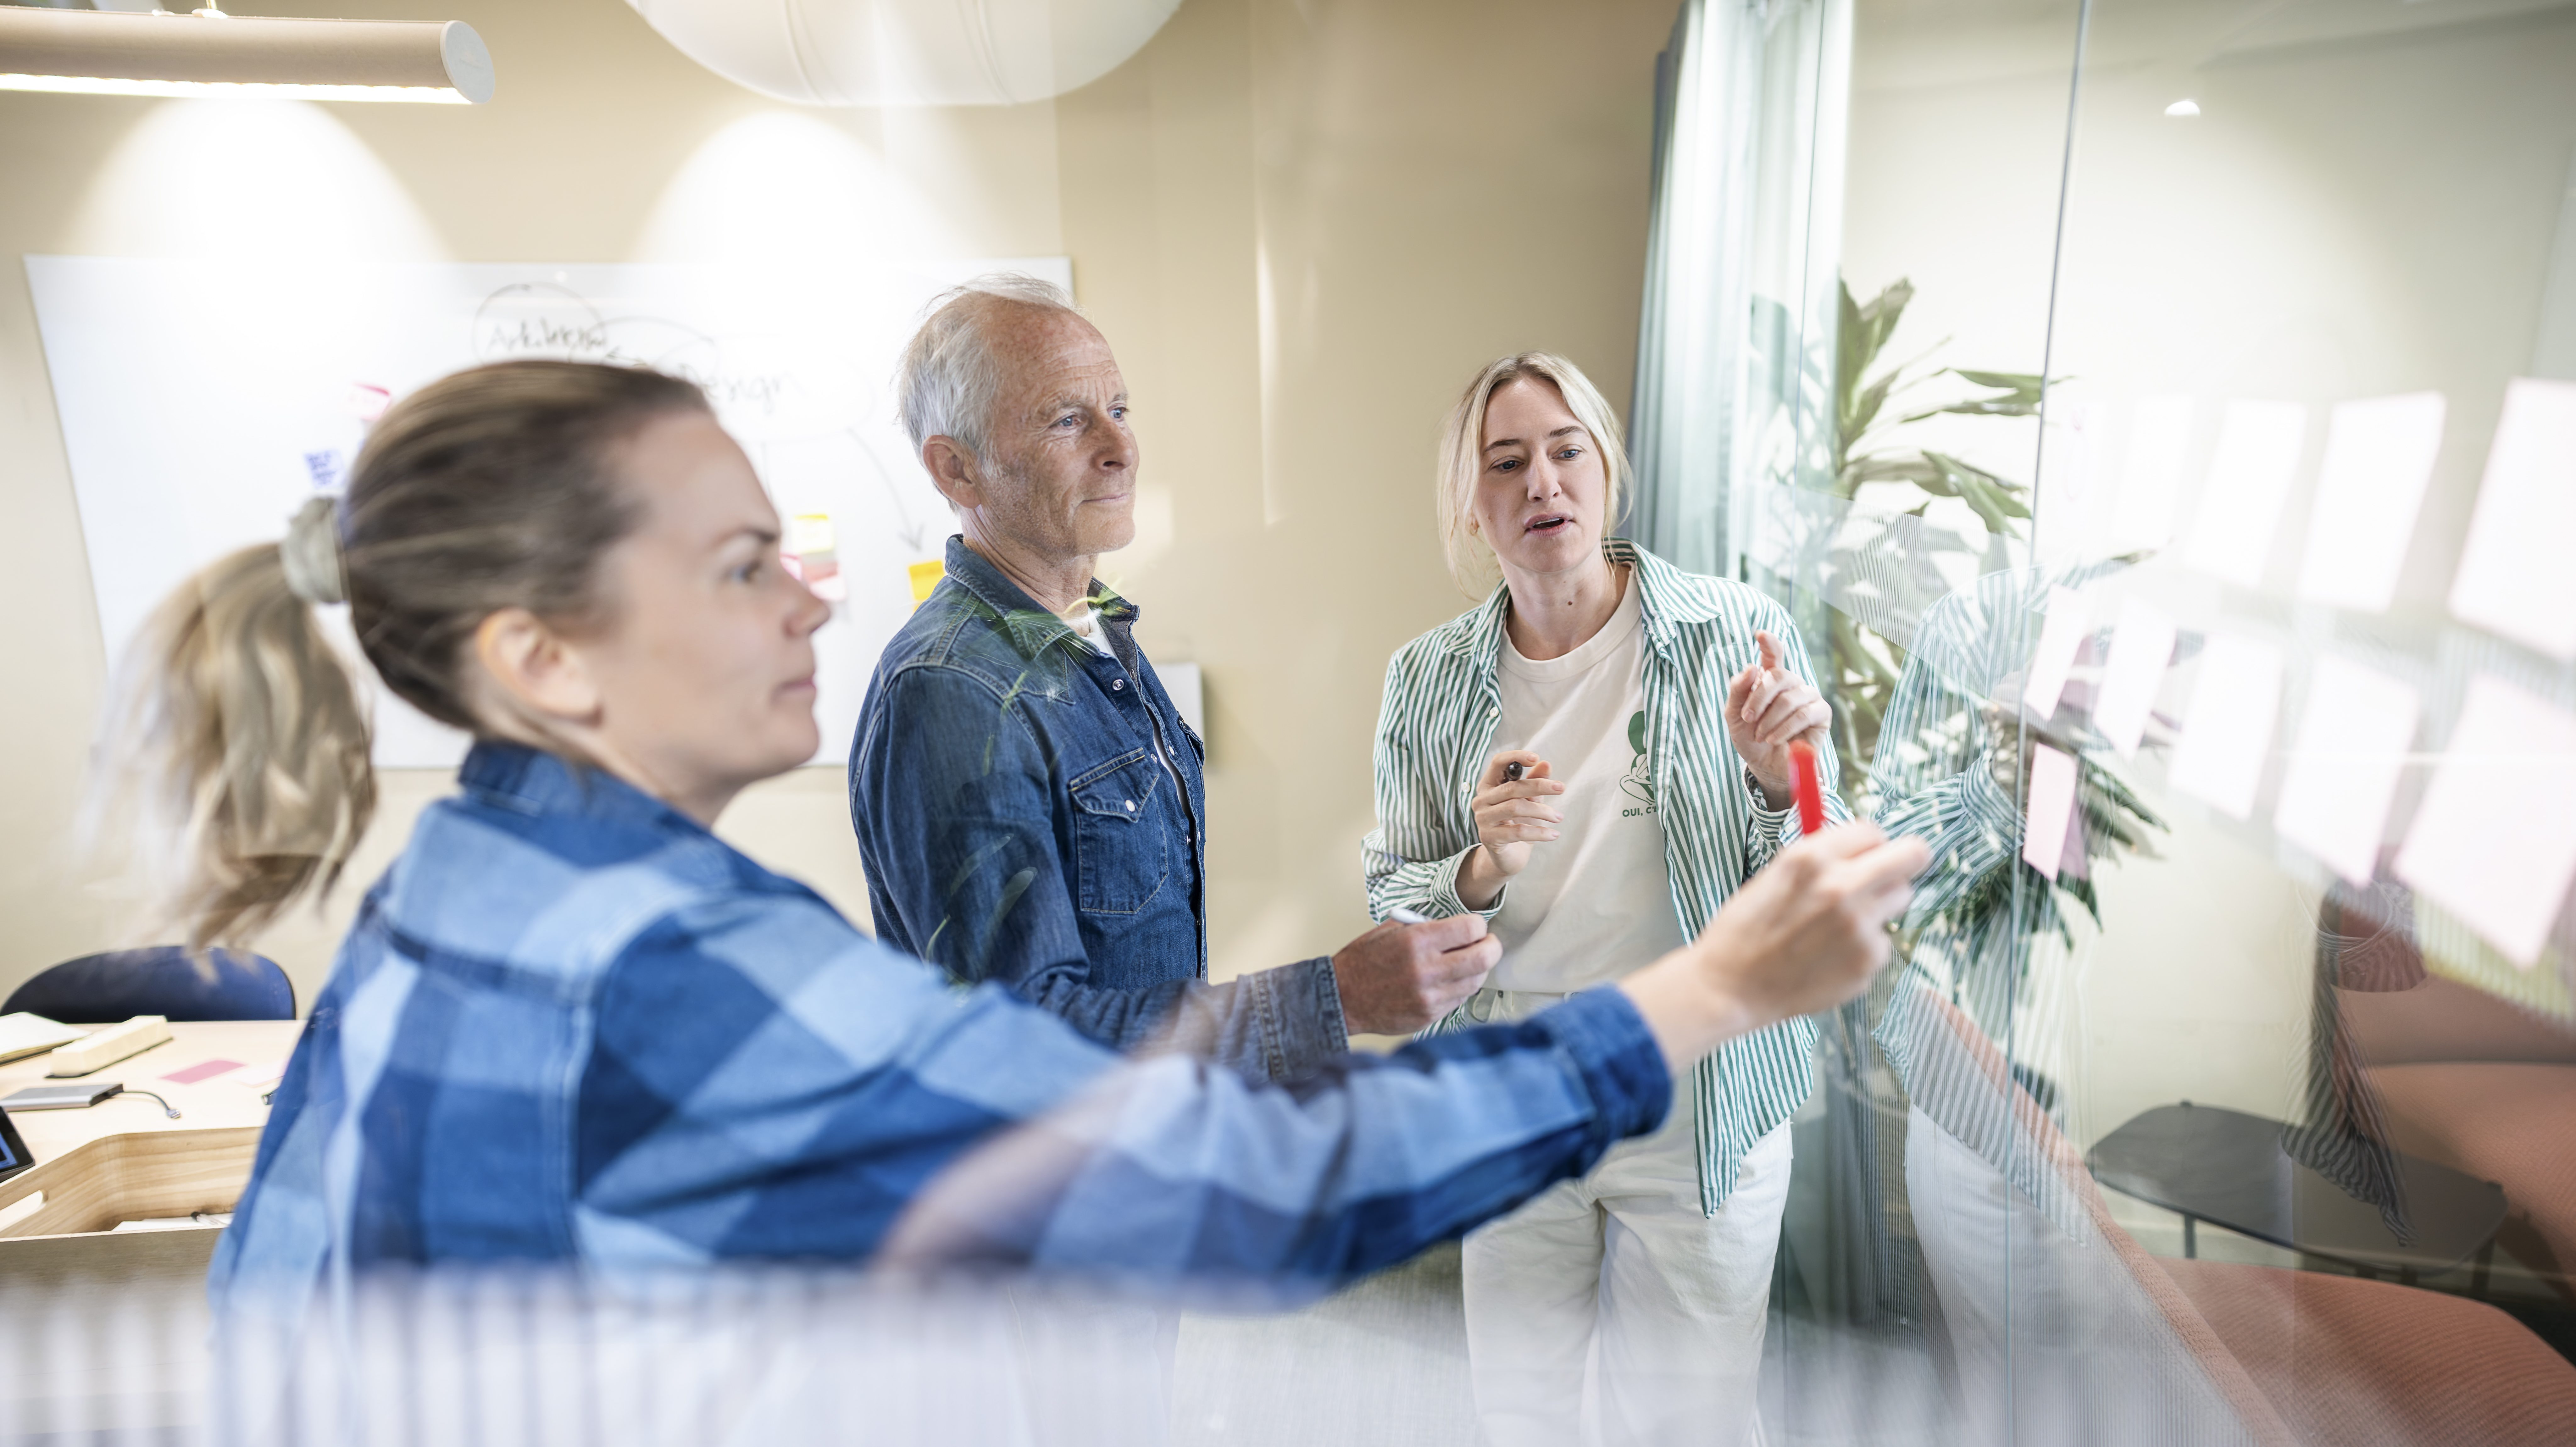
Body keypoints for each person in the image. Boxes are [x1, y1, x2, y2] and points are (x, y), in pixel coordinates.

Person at [100, 358, 1928, 1325]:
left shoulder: (454, 891)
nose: (816, 591)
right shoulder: (686, 979)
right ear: (540, 657)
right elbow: (1245, 1178)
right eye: (746, 563)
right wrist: (1709, 986)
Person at [1363, 353, 1851, 1447]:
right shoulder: (1425, 679)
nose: (1542, 482)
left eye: (1565, 451)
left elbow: (1824, 869)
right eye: (1506, 462)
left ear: (1605, 471)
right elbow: (1396, 895)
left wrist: (1784, 780)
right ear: (1471, 504)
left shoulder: (1733, 630)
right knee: (1522, 1416)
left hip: (1698, 1089)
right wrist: (1479, 865)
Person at [850, 276, 1477, 1081]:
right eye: (1066, 420)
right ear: (957, 471)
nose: (1119, 448)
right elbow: (1024, 1052)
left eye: (1119, 408)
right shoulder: (952, 690)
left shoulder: (1097, 632)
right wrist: (1337, 999)